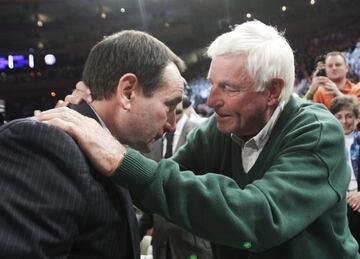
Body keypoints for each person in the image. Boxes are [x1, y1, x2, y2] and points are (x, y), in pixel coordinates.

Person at [35, 21, 360, 258]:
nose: (212, 100)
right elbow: (157, 185)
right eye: (212, 84)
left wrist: (120, 158)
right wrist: (94, 131)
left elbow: (259, 218)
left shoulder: (317, 130)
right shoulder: (219, 131)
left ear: (273, 91)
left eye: (228, 88)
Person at [0, 30, 185, 258]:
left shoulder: (112, 148)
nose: (172, 125)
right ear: (127, 92)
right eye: (169, 106)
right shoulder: (46, 143)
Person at [140, 99, 212, 259]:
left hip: (196, 244)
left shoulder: (204, 133)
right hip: (161, 243)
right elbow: (150, 189)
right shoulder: (153, 137)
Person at [330, 95, 360, 250]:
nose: (344, 121)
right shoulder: (327, 142)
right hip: (338, 199)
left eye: (349, 116)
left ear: (356, 118)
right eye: (339, 117)